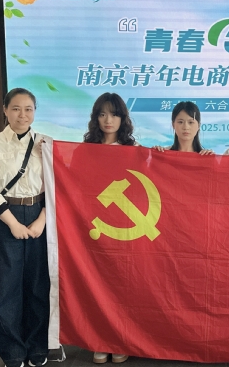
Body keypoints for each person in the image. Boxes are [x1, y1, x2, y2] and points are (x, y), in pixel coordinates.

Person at [0, 88, 51, 367]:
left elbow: (58, 186)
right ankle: (12, 351)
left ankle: (37, 346)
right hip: (4, 216)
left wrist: (42, 219)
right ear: (5, 110)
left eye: (29, 109)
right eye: (16, 108)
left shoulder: (45, 143)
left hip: (39, 215)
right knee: (5, 288)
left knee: (38, 285)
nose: (23, 115)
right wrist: (14, 224)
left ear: (35, 112)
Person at [84, 93, 136, 363]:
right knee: (98, 284)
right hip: (95, 228)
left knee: (123, 286)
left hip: (125, 230)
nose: (108, 120)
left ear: (122, 118)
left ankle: (121, 339)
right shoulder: (84, 150)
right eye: (102, 114)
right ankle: (100, 340)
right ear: (95, 118)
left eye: (114, 114)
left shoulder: (134, 151)